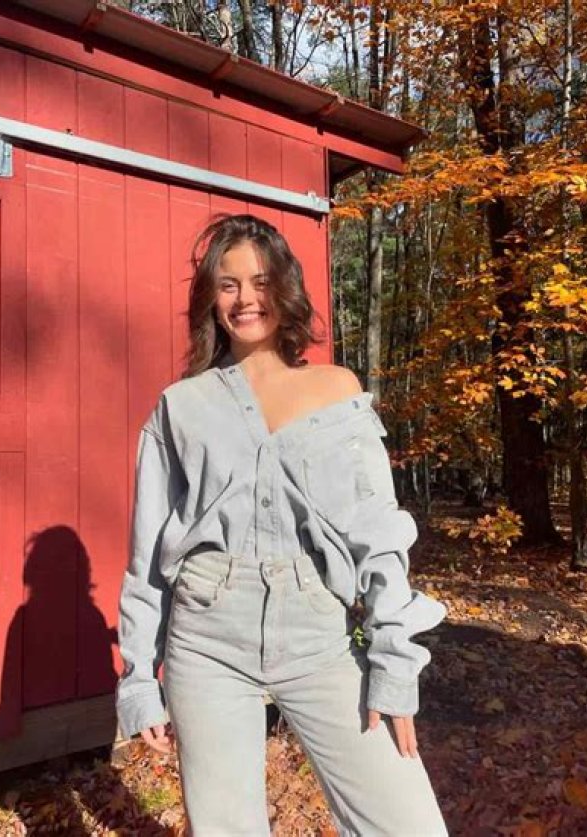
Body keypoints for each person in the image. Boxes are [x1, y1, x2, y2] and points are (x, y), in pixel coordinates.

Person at [116, 213, 449, 835]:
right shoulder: (180, 407)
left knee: (409, 824)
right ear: (210, 299)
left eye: (261, 281)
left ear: (286, 289)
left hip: (317, 632)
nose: (245, 299)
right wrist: (139, 678)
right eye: (228, 284)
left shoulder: (336, 388)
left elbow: (379, 534)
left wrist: (394, 664)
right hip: (206, 639)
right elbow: (148, 554)